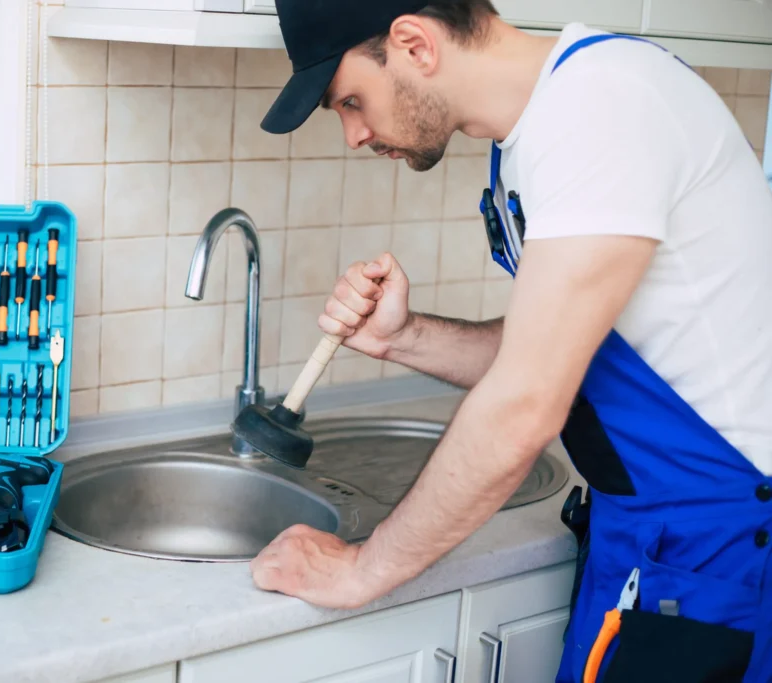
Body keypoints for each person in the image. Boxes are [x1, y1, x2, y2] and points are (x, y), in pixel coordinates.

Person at [247, 1, 772, 681]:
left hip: (722, 550)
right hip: (648, 534)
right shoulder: (531, 135)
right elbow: (560, 351)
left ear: (414, 45)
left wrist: (360, 569)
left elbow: (525, 405)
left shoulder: (599, 109)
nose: (353, 133)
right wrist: (403, 337)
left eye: (350, 100)